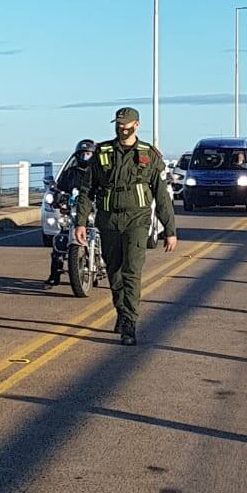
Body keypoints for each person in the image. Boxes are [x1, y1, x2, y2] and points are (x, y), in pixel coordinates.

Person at [75, 107, 177, 345]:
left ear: (137, 125)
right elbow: (87, 190)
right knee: (115, 273)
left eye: (126, 125)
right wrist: (80, 222)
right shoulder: (102, 153)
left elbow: (161, 196)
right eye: (118, 125)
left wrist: (169, 231)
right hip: (109, 220)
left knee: (132, 271)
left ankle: (129, 324)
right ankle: (122, 311)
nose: (122, 129)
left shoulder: (149, 155)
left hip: (137, 221)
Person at [44, 139, 96, 287]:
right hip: (72, 213)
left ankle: (110, 270)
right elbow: (60, 188)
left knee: (108, 237)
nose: (85, 157)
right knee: (60, 241)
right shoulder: (69, 173)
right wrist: (58, 196)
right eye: (82, 154)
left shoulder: (98, 173)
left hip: (92, 212)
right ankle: (54, 275)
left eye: (88, 154)